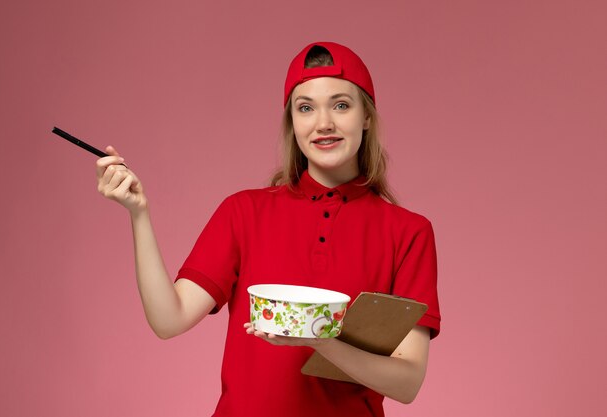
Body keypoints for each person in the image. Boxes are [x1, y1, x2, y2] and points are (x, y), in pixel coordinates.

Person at [96, 41, 441, 417]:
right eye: (305, 108)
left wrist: (320, 342)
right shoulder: (243, 212)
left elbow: (407, 382)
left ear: (366, 117)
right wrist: (139, 214)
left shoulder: (409, 233)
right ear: (292, 122)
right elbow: (169, 319)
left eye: (341, 105)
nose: (323, 123)